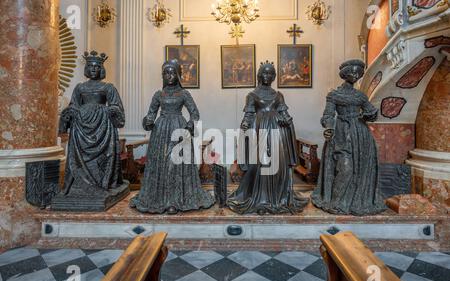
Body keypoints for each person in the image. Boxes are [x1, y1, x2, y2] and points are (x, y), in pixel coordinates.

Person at [130, 60, 215, 215]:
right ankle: (159, 198)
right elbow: (150, 114)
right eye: (166, 73)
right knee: (161, 162)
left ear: (178, 75)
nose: (169, 76)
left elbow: (194, 113)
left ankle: (175, 200)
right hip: (161, 130)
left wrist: (190, 124)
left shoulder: (184, 94)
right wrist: (148, 122)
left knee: (175, 164)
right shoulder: (159, 94)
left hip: (179, 129)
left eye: (172, 72)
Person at [227, 61, 309, 215]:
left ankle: (276, 198)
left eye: (271, 73)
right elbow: (249, 114)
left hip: (277, 131)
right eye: (265, 72)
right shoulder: (251, 95)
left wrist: (287, 120)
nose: (268, 76)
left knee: (278, 162)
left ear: (274, 76)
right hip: (260, 130)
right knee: (261, 163)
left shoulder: (279, 95)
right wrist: (245, 124)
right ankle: (261, 198)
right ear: (259, 75)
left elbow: (284, 112)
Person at [53, 51, 129, 210]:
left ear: (101, 69)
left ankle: (102, 184)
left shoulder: (108, 87)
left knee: (102, 158)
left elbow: (116, 107)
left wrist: (109, 110)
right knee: (79, 158)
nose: (93, 69)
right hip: (81, 128)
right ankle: (77, 187)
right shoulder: (80, 88)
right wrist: (71, 112)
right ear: (86, 68)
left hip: (102, 128)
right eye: (90, 66)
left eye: (97, 66)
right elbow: (74, 104)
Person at [311, 59, 387, 216]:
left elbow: (371, 113)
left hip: (360, 134)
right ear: (344, 73)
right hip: (341, 133)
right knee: (345, 168)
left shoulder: (361, 96)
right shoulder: (334, 95)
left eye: (358, 73)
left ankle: (354, 201)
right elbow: (328, 115)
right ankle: (336, 202)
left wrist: (371, 114)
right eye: (351, 71)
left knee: (359, 169)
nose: (355, 75)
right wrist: (328, 128)